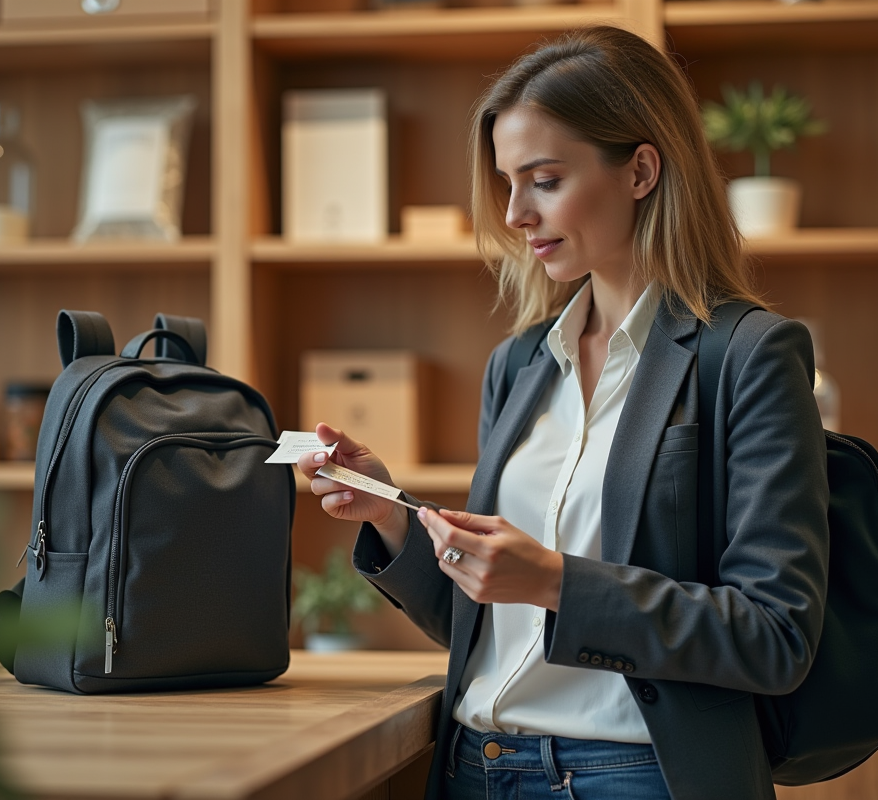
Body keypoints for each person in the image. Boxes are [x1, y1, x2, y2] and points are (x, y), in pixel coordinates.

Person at [297, 25, 828, 800]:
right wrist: (393, 518)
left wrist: (557, 582)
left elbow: (776, 636)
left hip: (640, 776)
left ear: (641, 169)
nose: (514, 212)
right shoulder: (517, 364)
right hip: (476, 768)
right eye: (508, 182)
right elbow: (478, 624)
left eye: (543, 179)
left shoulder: (748, 355)